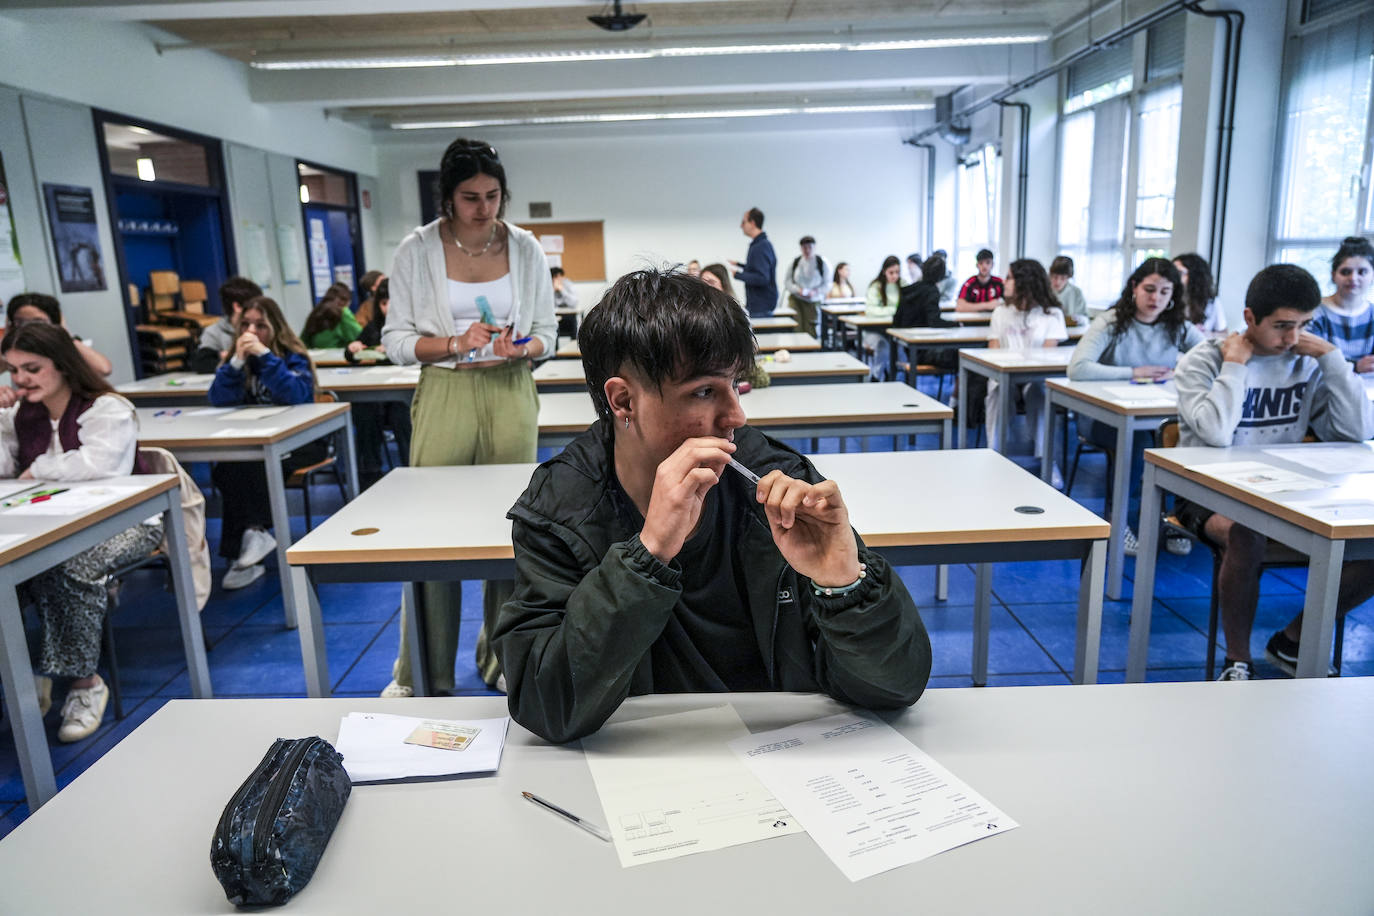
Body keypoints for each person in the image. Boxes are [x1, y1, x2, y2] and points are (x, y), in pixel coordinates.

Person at [491, 268, 932, 743]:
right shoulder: (561, 511)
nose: (736, 416)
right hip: (640, 770)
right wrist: (649, 553)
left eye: (735, 385)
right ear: (623, 401)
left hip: (785, 756)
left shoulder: (774, 483)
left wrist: (845, 584)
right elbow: (546, 705)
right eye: (704, 391)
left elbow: (896, 685)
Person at [380, 137, 556, 697]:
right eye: (470, 197)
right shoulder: (418, 249)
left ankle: (502, 658)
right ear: (448, 198)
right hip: (446, 391)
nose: (484, 208)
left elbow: (547, 336)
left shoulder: (524, 247)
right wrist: (455, 342)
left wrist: (521, 349)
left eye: (493, 195)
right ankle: (421, 672)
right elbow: (395, 342)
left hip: (509, 390)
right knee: (430, 535)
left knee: (509, 533)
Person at [1172, 264, 1374, 681]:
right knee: (1246, 533)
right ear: (1250, 318)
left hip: (1287, 491)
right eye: (1282, 326)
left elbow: (1358, 431)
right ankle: (1237, 660)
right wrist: (1235, 366)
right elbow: (1213, 435)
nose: (1293, 338)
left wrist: (1334, 360)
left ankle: (1293, 641)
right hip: (1207, 493)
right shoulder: (1205, 361)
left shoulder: (1307, 361)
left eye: (1304, 325)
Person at [0, 322, 161, 742]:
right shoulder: (20, 413)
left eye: (31, 368)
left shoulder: (107, 408)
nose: (20, 379)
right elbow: (5, 472)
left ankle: (84, 683)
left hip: (127, 523)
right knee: (14, 579)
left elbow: (100, 466)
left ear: (63, 365)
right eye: (13, 370)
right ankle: (29, 676)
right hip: (49, 525)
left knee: (68, 567)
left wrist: (36, 470)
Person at [1068, 258, 1204, 556]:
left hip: (1156, 413)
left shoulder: (1177, 325)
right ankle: (1118, 522)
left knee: (1181, 437)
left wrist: (1181, 369)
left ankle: (1170, 519)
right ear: (1134, 287)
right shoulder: (1111, 322)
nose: (1156, 298)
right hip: (1104, 417)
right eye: (1150, 289)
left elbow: (1209, 357)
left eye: (1165, 292)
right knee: (1144, 440)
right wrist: (1134, 372)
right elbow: (1078, 368)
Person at [208, 296, 320, 590]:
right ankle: (251, 541)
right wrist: (234, 364)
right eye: (245, 325)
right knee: (228, 468)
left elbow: (297, 394)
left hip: (301, 439)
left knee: (253, 466)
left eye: (260, 325)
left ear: (275, 327)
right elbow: (219, 399)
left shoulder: (292, 356)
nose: (251, 332)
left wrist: (267, 358)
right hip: (258, 440)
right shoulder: (238, 361)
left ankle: (249, 542)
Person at [984, 260, 1066, 469]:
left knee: (1039, 393)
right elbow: (994, 353)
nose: (1004, 281)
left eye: (1010, 277)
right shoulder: (1000, 313)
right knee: (997, 392)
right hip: (1004, 375)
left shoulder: (1052, 314)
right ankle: (992, 455)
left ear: (1025, 282)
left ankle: (1047, 460)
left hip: (1036, 377)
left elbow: (1048, 355)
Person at [348, 279, 413, 486]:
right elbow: (352, 355)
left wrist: (389, 353)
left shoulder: (415, 326)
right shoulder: (374, 327)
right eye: (384, 303)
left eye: (392, 302)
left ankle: (411, 467)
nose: (388, 308)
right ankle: (369, 472)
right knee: (363, 411)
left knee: (402, 413)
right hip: (376, 393)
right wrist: (353, 348)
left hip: (402, 395)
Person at [2, 293, 113, 382]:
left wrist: (65, 336)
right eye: (20, 322)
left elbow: (103, 369)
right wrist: (7, 339)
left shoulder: (67, 347)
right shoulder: (14, 353)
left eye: (38, 322)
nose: (30, 328)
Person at [1308, 236, 1374, 373]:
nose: (1353, 278)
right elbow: (1310, 360)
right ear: (1333, 275)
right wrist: (1355, 366)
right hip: (1323, 389)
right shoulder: (1314, 313)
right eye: (1345, 272)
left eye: (1362, 272)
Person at [193, 277, 262, 373]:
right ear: (237, 306)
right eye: (254, 305)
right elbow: (201, 364)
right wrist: (233, 359)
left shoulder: (264, 327)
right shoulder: (213, 332)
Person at [728, 207, 778, 318]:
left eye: (743, 222)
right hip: (759, 305)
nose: (741, 226)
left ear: (752, 223)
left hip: (761, 306)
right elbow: (756, 268)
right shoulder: (759, 244)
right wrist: (739, 265)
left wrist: (737, 274)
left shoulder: (761, 246)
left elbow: (762, 278)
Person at [863, 256, 902, 380]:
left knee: (901, 348)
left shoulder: (902, 285)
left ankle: (893, 377)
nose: (894, 276)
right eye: (891, 272)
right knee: (882, 346)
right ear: (884, 271)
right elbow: (871, 311)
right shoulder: (875, 286)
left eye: (897, 272)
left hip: (894, 329)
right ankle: (876, 377)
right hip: (874, 330)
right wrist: (894, 310)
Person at [783, 235, 828, 338]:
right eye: (804, 248)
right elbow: (787, 281)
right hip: (797, 299)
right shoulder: (796, 262)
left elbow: (827, 283)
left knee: (812, 329)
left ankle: (811, 351)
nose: (807, 250)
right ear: (801, 248)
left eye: (810, 247)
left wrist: (816, 291)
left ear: (814, 247)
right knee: (796, 326)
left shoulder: (822, 263)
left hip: (813, 300)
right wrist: (797, 290)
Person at [1173, 253, 1226, 333]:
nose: (1173, 277)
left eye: (1179, 273)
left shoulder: (1211, 302)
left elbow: (1223, 333)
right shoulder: (1166, 299)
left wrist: (1207, 335)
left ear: (1195, 276)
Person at [1049, 256, 1089, 325]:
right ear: (1050, 275)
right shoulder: (1044, 290)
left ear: (1069, 277)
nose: (1058, 281)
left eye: (1063, 278)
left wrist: (1078, 319)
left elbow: (1085, 319)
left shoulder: (1076, 292)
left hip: (1070, 332)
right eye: (1055, 277)